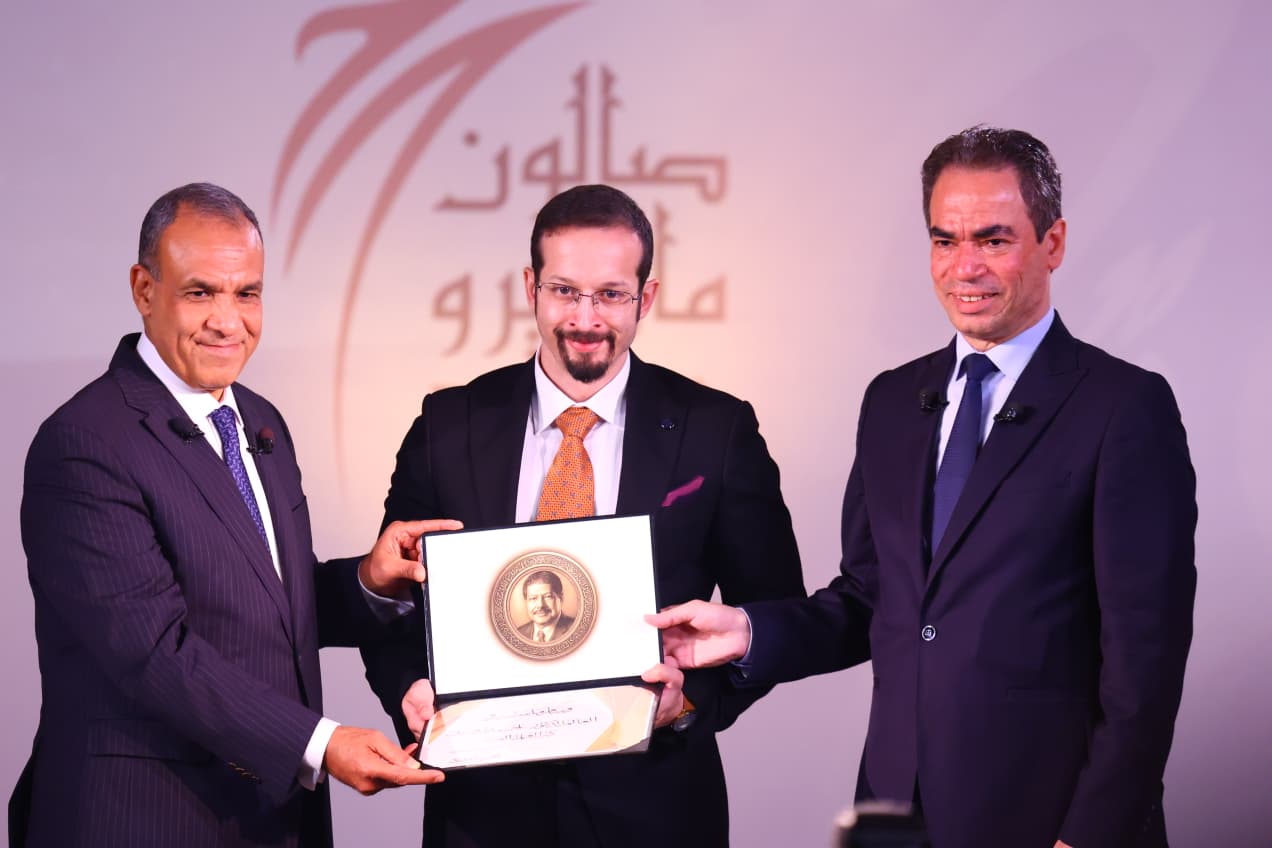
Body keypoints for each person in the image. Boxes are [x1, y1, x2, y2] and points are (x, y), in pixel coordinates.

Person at [651, 127, 1197, 848]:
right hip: (897, 814)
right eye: (945, 240)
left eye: (994, 240)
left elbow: (1145, 666)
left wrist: (1090, 836)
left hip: (1050, 819)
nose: (964, 267)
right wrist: (749, 632)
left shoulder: (1124, 407)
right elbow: (873, 598)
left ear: (1053, 243)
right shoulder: (890, 401)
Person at [12, 183, 461, 847]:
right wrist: (322, 743)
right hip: (142, 820)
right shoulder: (85, 442)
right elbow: (154, 653)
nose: (228, 321)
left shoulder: (256, 419)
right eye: (200, 292)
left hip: (268, 819)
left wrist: (368, 579)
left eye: (247, 293)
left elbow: (267, 603)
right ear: (143, 290)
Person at [361, 184, 806, 847]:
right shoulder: (448, 424)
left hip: (655, 809)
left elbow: (773, 613)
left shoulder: (716, 429)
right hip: (482, 813)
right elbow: (393, 597)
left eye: (611, 295)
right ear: (530, 288)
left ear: (646, 298)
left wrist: (689, 703)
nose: (586, 317)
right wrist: (407, 687)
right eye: (565, 291)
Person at [516, 571, 575, 642]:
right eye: (533, 598)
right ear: (526, 602)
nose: (540, 605)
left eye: (548, 597)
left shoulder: (576, 630)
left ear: (561, 598)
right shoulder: (519, 633)